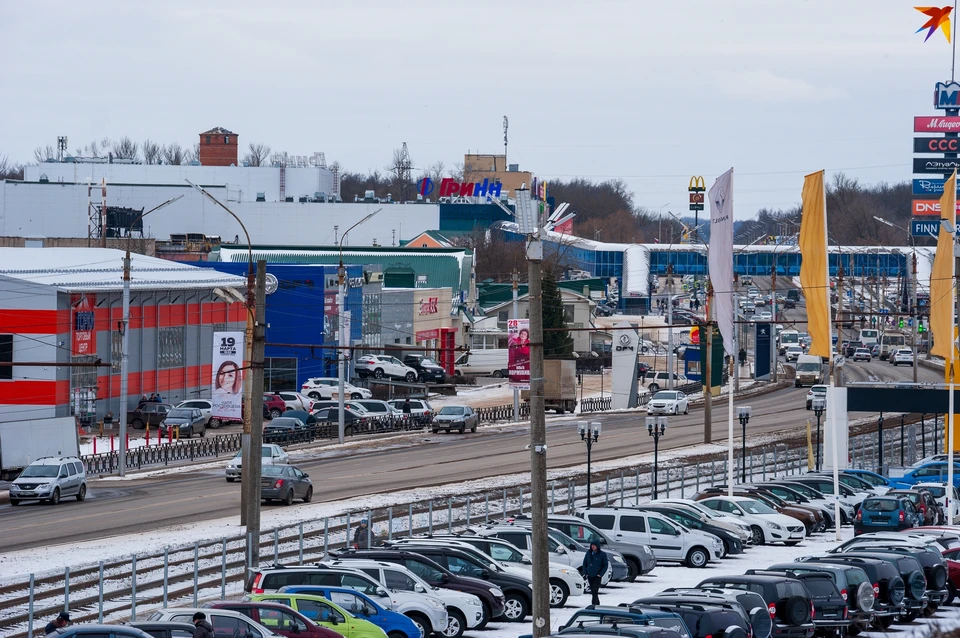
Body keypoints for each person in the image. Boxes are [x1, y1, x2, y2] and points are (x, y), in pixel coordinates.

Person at [582, 541, 608, 606]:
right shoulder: (589, 553)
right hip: (590, 575)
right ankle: (597, 604)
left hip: (597, 576)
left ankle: (593, 605)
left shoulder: (602, 554)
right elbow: (585, 563)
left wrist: (600, 574)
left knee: (594, 590)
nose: (592, 547)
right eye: (592, 545)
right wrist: (586, 572)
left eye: (594, 545)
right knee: (594, 592)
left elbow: (605, 565)